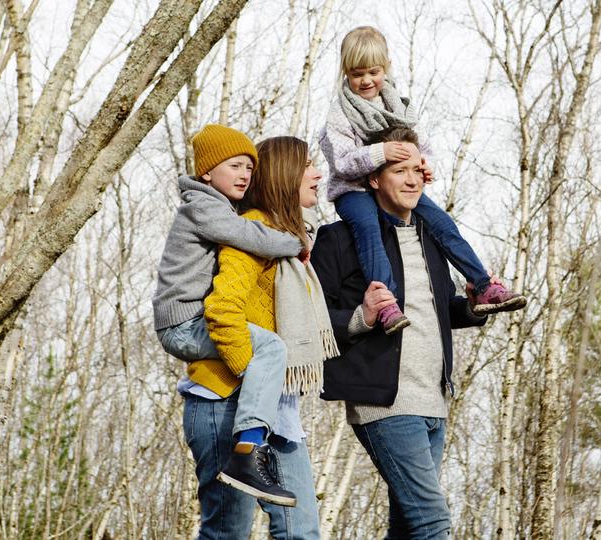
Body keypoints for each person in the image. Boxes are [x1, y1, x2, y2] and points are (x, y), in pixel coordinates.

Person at [311, 127, 488, 539]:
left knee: (408, 527)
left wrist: (474, 308)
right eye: (398, 171)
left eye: (416, 170)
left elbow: (441, 310)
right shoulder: (339, 239)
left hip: (433, 399)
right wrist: (362, 317)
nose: (411, 180)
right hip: (385, 402)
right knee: (432, 522)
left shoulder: (431, 239)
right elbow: (311, 322)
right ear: (373, 177)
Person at [319, 25, 526, 335]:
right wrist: (381, 152)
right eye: (356, 73)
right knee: (368, 228)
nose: (365, 81)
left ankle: (482, 283)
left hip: (389, 187)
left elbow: (421, 146)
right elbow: (344, 163)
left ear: (385, 68)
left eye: (373, 72)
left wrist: (425, 165)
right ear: (345, 72)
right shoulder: (340, 114)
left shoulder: (398, 105)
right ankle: (386, 302)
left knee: (441, 223)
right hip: (353, 188)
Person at [187, 135, 336, 539]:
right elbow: (222, 308)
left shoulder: (290, 244)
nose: (318, 174)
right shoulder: (252, 230)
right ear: (285, 175)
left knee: (301, 531)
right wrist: (252, 371)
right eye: (309, 166)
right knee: (227, 534)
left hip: (277, 411)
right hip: (224, 401)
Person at [153, 124, 303, 507]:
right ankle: (248, 450)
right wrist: (293, 243)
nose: (244, 175)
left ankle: (250, 447)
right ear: (207, 172)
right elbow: (250, 236)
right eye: (234, 166)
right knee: (269, 349)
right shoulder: (202, 207)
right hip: (182, 324)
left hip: (189, 322)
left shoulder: (219, 208)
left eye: (249, 169)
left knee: (266, 349)